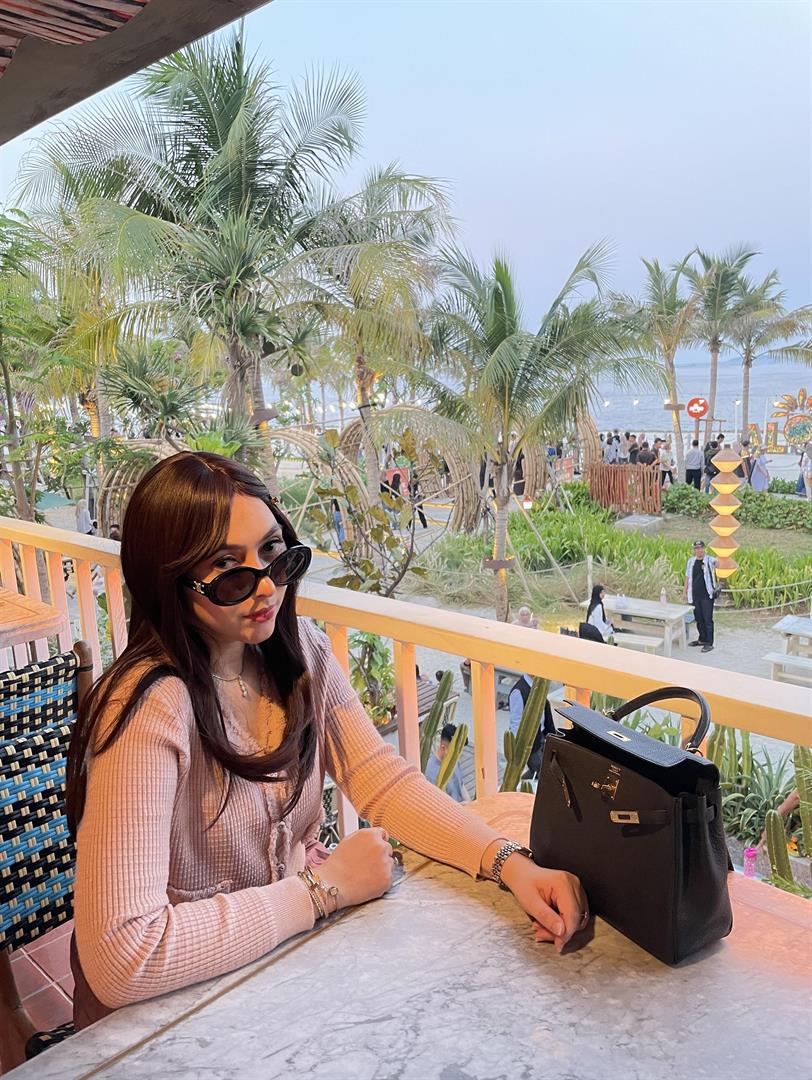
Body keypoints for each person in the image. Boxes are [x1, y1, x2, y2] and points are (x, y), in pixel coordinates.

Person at [65, 452, 589, 1027]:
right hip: (167, 1020)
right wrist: (323, 889)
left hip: (270, 974)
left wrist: (509, 864)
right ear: (168, 580)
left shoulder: (296, 653)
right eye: (229, 569)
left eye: (275, 553)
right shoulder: (149, 709)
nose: (267, 587)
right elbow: (123, 955)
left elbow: (382, 782)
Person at [508, 674, 557, 780]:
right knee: (540, 770)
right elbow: (515, 722)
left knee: (547, 766)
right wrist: (518, 748)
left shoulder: (540, 684)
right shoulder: (518, 691)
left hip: (543, 734)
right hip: (531, 742)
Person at [683, 540, 718, 653]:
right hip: (695, 595)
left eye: (701, 548)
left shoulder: (709, 560)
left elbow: (717, 563)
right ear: (694, 550)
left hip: (707, 595)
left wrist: (718, 561)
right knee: (698, 618)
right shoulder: (691, 561)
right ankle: (702, 639)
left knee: (707, 619)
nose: (699, 550)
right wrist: (684, 592)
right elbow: (687, 577)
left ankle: (709, 642)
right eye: (697, 548)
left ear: (704, 549)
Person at [424, 724, 470, 803]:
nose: (459, 755)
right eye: (455, 751)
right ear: (443, 748)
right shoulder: (431, 773)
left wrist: (470, 803)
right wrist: (462, 807)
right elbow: (441, 804)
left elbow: (461, 786)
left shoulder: (454, 760)